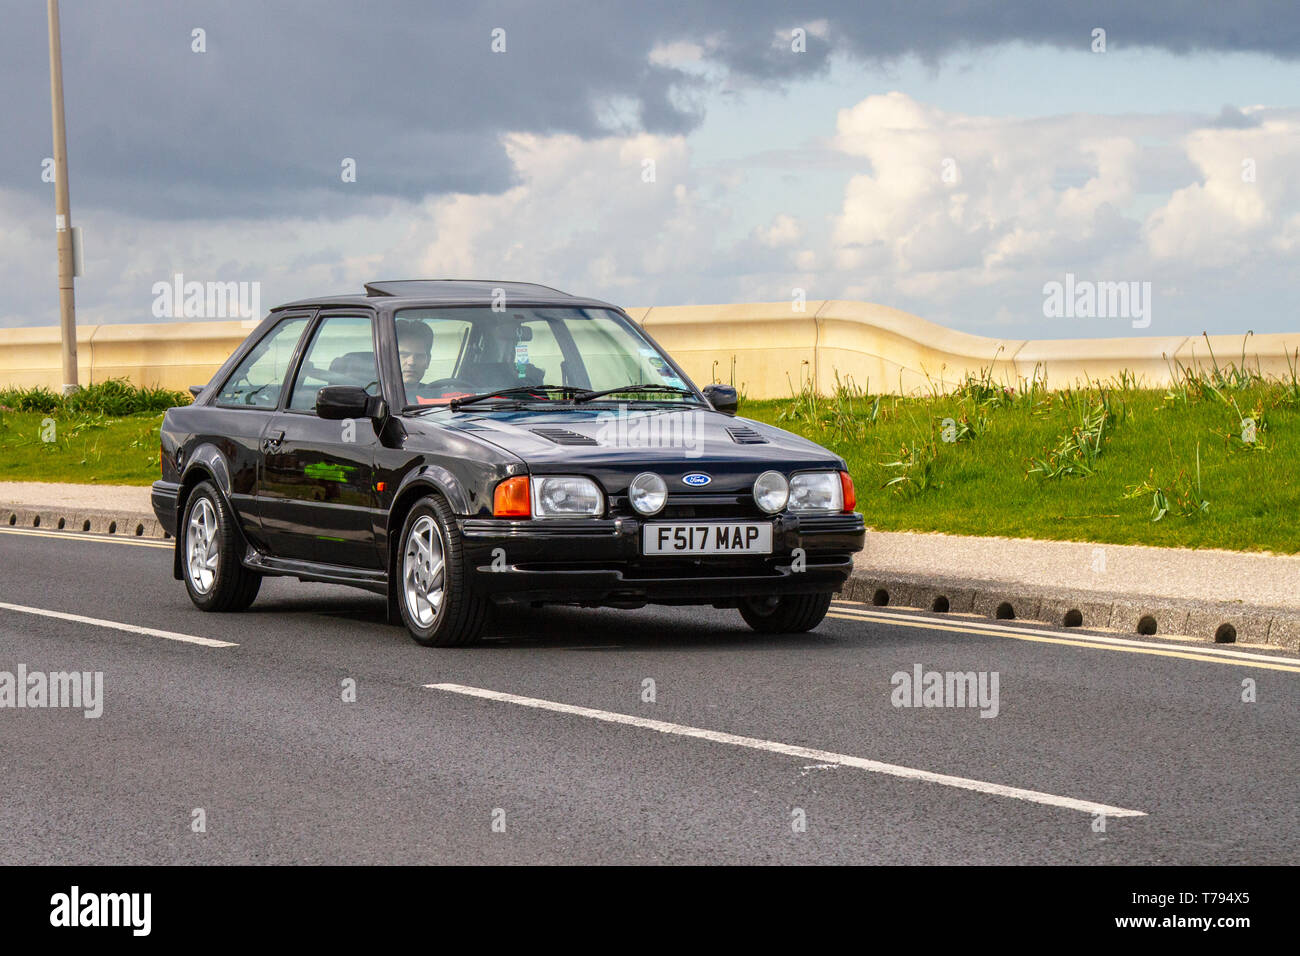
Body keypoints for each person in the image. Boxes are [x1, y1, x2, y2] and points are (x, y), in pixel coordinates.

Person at [395, 319, 434, 395]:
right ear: (389, 358)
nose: (411, 362)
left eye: (419, 356)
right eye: (404, 355)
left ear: (428, 361)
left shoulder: (437, 397)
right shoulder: (371, 396)